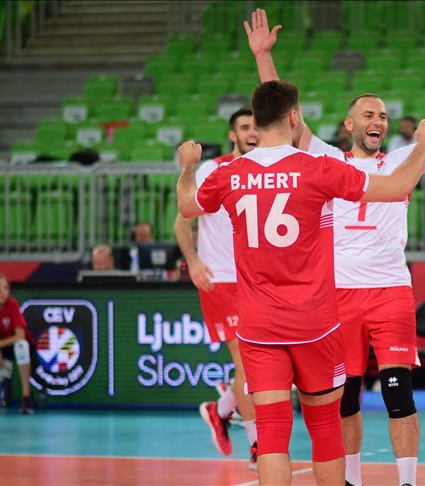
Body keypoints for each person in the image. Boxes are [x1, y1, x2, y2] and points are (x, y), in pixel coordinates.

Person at [245, 10, 425, 486]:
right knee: (346, 397)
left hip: (390, 290)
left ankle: (407, 482)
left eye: (384, 115)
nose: (379, 120)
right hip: (337, 295)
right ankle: (351, 479)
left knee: (398, 393)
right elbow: (284, 118)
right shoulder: (326, 159)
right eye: (369, 114)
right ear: (350, 123)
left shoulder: (403, 160)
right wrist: (264, 57)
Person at [176, 79, 425, 485]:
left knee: (272, 435)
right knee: (325, 428)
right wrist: (423, 147)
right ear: (294, 117)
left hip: (260, 325)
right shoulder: (318, 168)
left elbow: (186, 205)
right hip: (315, 324)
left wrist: (187, 166)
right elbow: (397, 187)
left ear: (255, 122)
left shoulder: (229, 174)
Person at [173, 108, 260, 468]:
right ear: (232, 135)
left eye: (256, 126)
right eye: (245, 127)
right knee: (247, 363)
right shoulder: (213, 170)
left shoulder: (270, 168)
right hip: (222, 279)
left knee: (264, 363)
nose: (252, 132)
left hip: (261, 281)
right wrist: (193, 261)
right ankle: (257, 445)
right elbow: (182, 222)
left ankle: (221, 408)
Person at [0, 274, 36, 414]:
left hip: (15, 346)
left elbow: (20, 335)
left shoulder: (12, 304)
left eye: (6, 288)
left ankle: (26, 397)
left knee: (21, 345)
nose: (3, 292)